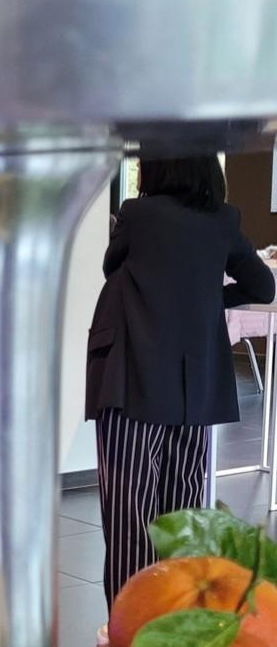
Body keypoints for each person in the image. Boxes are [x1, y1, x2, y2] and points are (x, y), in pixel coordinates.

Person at [87, 155, 275, 607]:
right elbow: (262, 287)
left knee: (130, 513)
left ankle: (129, 621)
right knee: (184, 511)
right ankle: (178, 616)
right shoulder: (224, 219)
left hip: (132, 377)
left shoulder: (137, 214)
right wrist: (212, 296)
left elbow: (113, 268)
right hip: (196, 387)